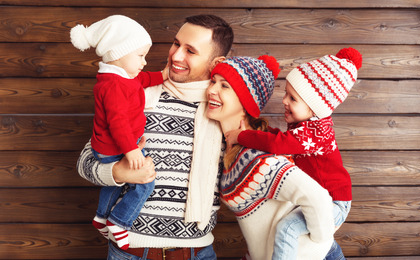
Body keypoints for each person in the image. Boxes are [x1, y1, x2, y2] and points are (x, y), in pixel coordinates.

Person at [77, 14, 233, 259]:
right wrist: (119, 173)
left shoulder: (224, 107)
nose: (176, 56)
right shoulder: (136, 92)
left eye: (190, 50)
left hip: (198, 251)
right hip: (132, 252)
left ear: (217, 62)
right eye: (176, 43)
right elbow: (85, 163)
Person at [224, 48, 362, 259]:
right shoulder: (307, 126)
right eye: (286, 94)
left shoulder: (316, 132)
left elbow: (279, 145)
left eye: (293, 98)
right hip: (324, 198)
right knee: (312, 241)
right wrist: (257, 132)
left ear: (314, 107)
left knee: (288, 229)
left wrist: (241, 137)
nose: (285, 100)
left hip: (334, 202)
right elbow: (282, 141)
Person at [206, 55, 336, 260]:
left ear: (245, 102)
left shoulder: (257, 158)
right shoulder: (236, 150)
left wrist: (318, 246)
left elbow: (317, 198)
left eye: (224, 86)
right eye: (213, 81)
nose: (211, 90)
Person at [71, 15, 169, 250]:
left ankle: (101, 216)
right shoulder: (113, 86)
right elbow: (118, 123)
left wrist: (163, 76)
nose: (144, 62)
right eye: (140, 56)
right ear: (117, 53)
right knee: (145, 183)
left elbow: (143, 78)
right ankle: (119, 221)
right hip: (114, 146)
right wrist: (132, 149)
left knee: (113, 184)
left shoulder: (122, 76)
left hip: (112, 145)